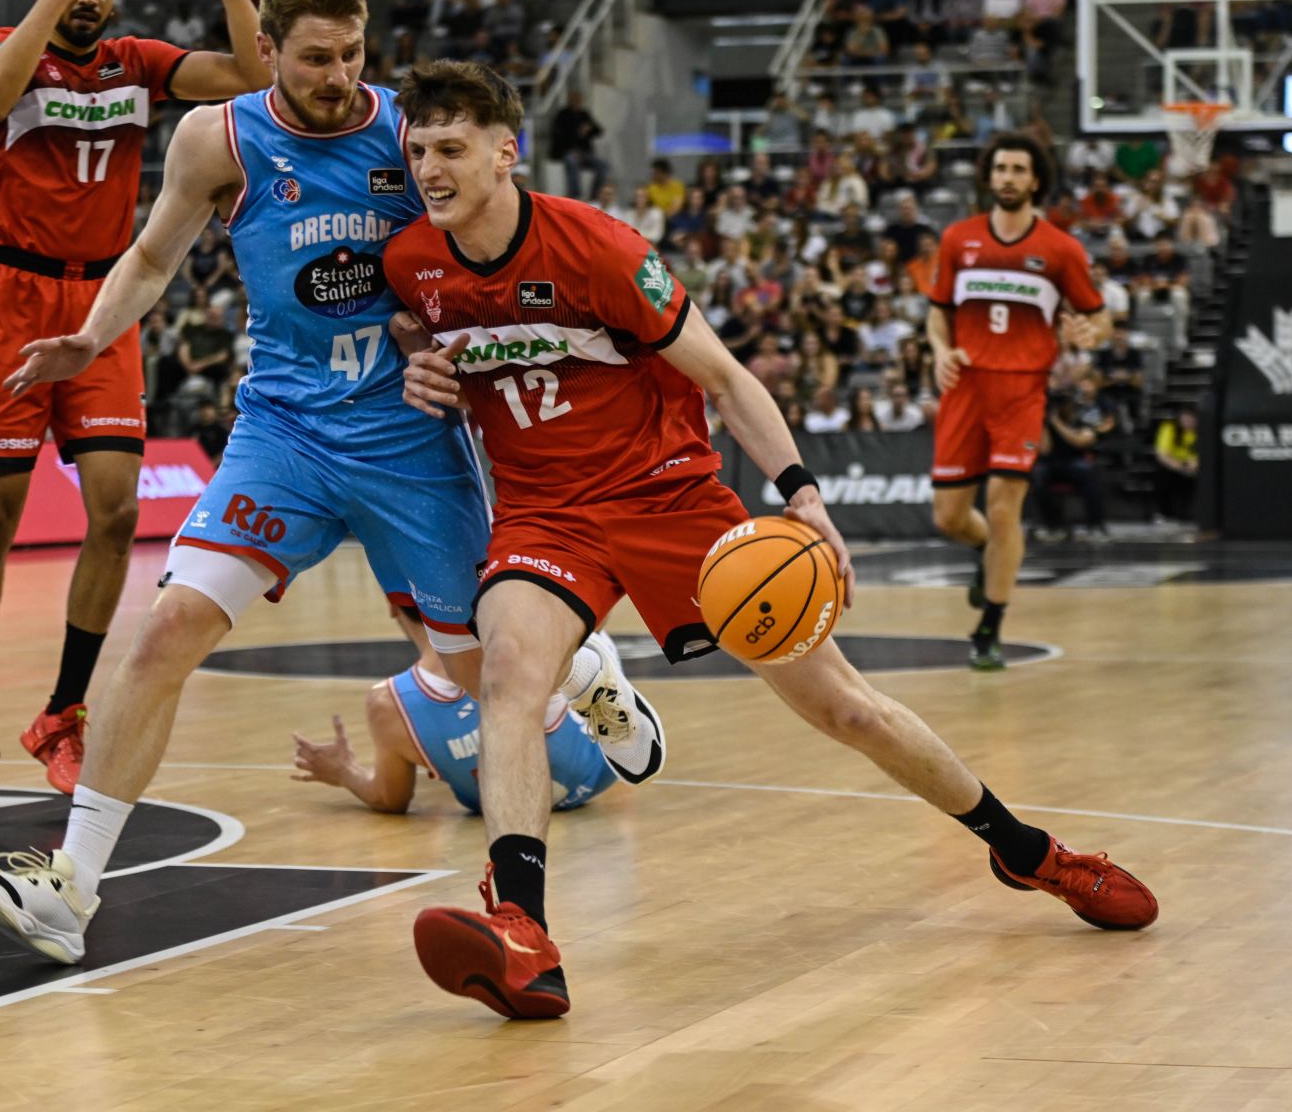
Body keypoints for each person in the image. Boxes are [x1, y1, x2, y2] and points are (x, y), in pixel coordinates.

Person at [380, 61, 1156, 1020]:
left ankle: (1030, 851)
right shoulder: (410, 257)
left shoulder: (600, 250)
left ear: (507, 152)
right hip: (544, 514)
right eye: (417, 151)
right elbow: (421, 332)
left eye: (450, 149)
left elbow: (729, 380)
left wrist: (806, 500)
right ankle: (524, 936)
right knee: (506, 676)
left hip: (668, 500)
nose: (429, 168)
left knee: (846, 711)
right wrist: (422, 366)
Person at [0, 0, 662, 966]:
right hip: (283, 432)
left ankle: (588, 674)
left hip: (406, 438)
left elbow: (470, 266)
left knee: (478, 676)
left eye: (354, 54)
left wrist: (436, 350)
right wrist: (89, 333)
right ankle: (73, 885)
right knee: (165, 631)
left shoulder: (405, 139)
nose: (341, 75)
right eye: (318, 58)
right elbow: (153, 255)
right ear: (270, 54)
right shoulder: (217, 136)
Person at [0, 0, 270, 811]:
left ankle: (62, 713)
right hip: (13, 290)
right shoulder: (10, 48)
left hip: (102, 299)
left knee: (117, 512)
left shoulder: (135, 62)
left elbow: (250, 74)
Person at [927, 134, 1110, 670]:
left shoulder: (1061, 249)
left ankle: (989, 630)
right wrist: (940, 349)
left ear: (1035, 181)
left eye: (1018, 170)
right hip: (964, 385)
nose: (1007, 177)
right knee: (950, 518)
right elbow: (938, 310)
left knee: (1006, 509)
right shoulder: (957, 240)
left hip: (1022, 390)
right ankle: (988, 558)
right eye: (1000, 168)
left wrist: (1089, 332)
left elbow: (1099, 317)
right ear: (989, 176)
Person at [292, 603, 617, 814]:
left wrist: (346, 771)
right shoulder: (524, 635)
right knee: (580, 621)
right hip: (599, 772)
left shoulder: (388, 704)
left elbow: (390, 798)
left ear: (393, 607)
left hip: (494, 807)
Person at [1032, 378, 1114, 541]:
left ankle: (1096, 525)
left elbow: (1083, 441)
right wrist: (1045, 423)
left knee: (1088, 472)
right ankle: (1053, 525)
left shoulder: (1084, 413)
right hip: (1051, 462)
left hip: (1075, 459)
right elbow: (1045, 449)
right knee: (1038, 474)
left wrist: (1058, 424)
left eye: (1065, 401)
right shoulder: (1046, 418)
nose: (1063, 406)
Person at [1152, 403, 1199, 523]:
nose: (1188, 421)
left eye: (1191, 418)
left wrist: (1194, 465)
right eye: (1185, 417)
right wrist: (1180, 467)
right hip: (1174, 465)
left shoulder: (1201, 431)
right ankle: (1163, 513)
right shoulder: (1169, 427)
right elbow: (1162, 454)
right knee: (1162, 475)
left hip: (1193, 467)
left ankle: (1189, 514)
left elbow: (1203, 454)